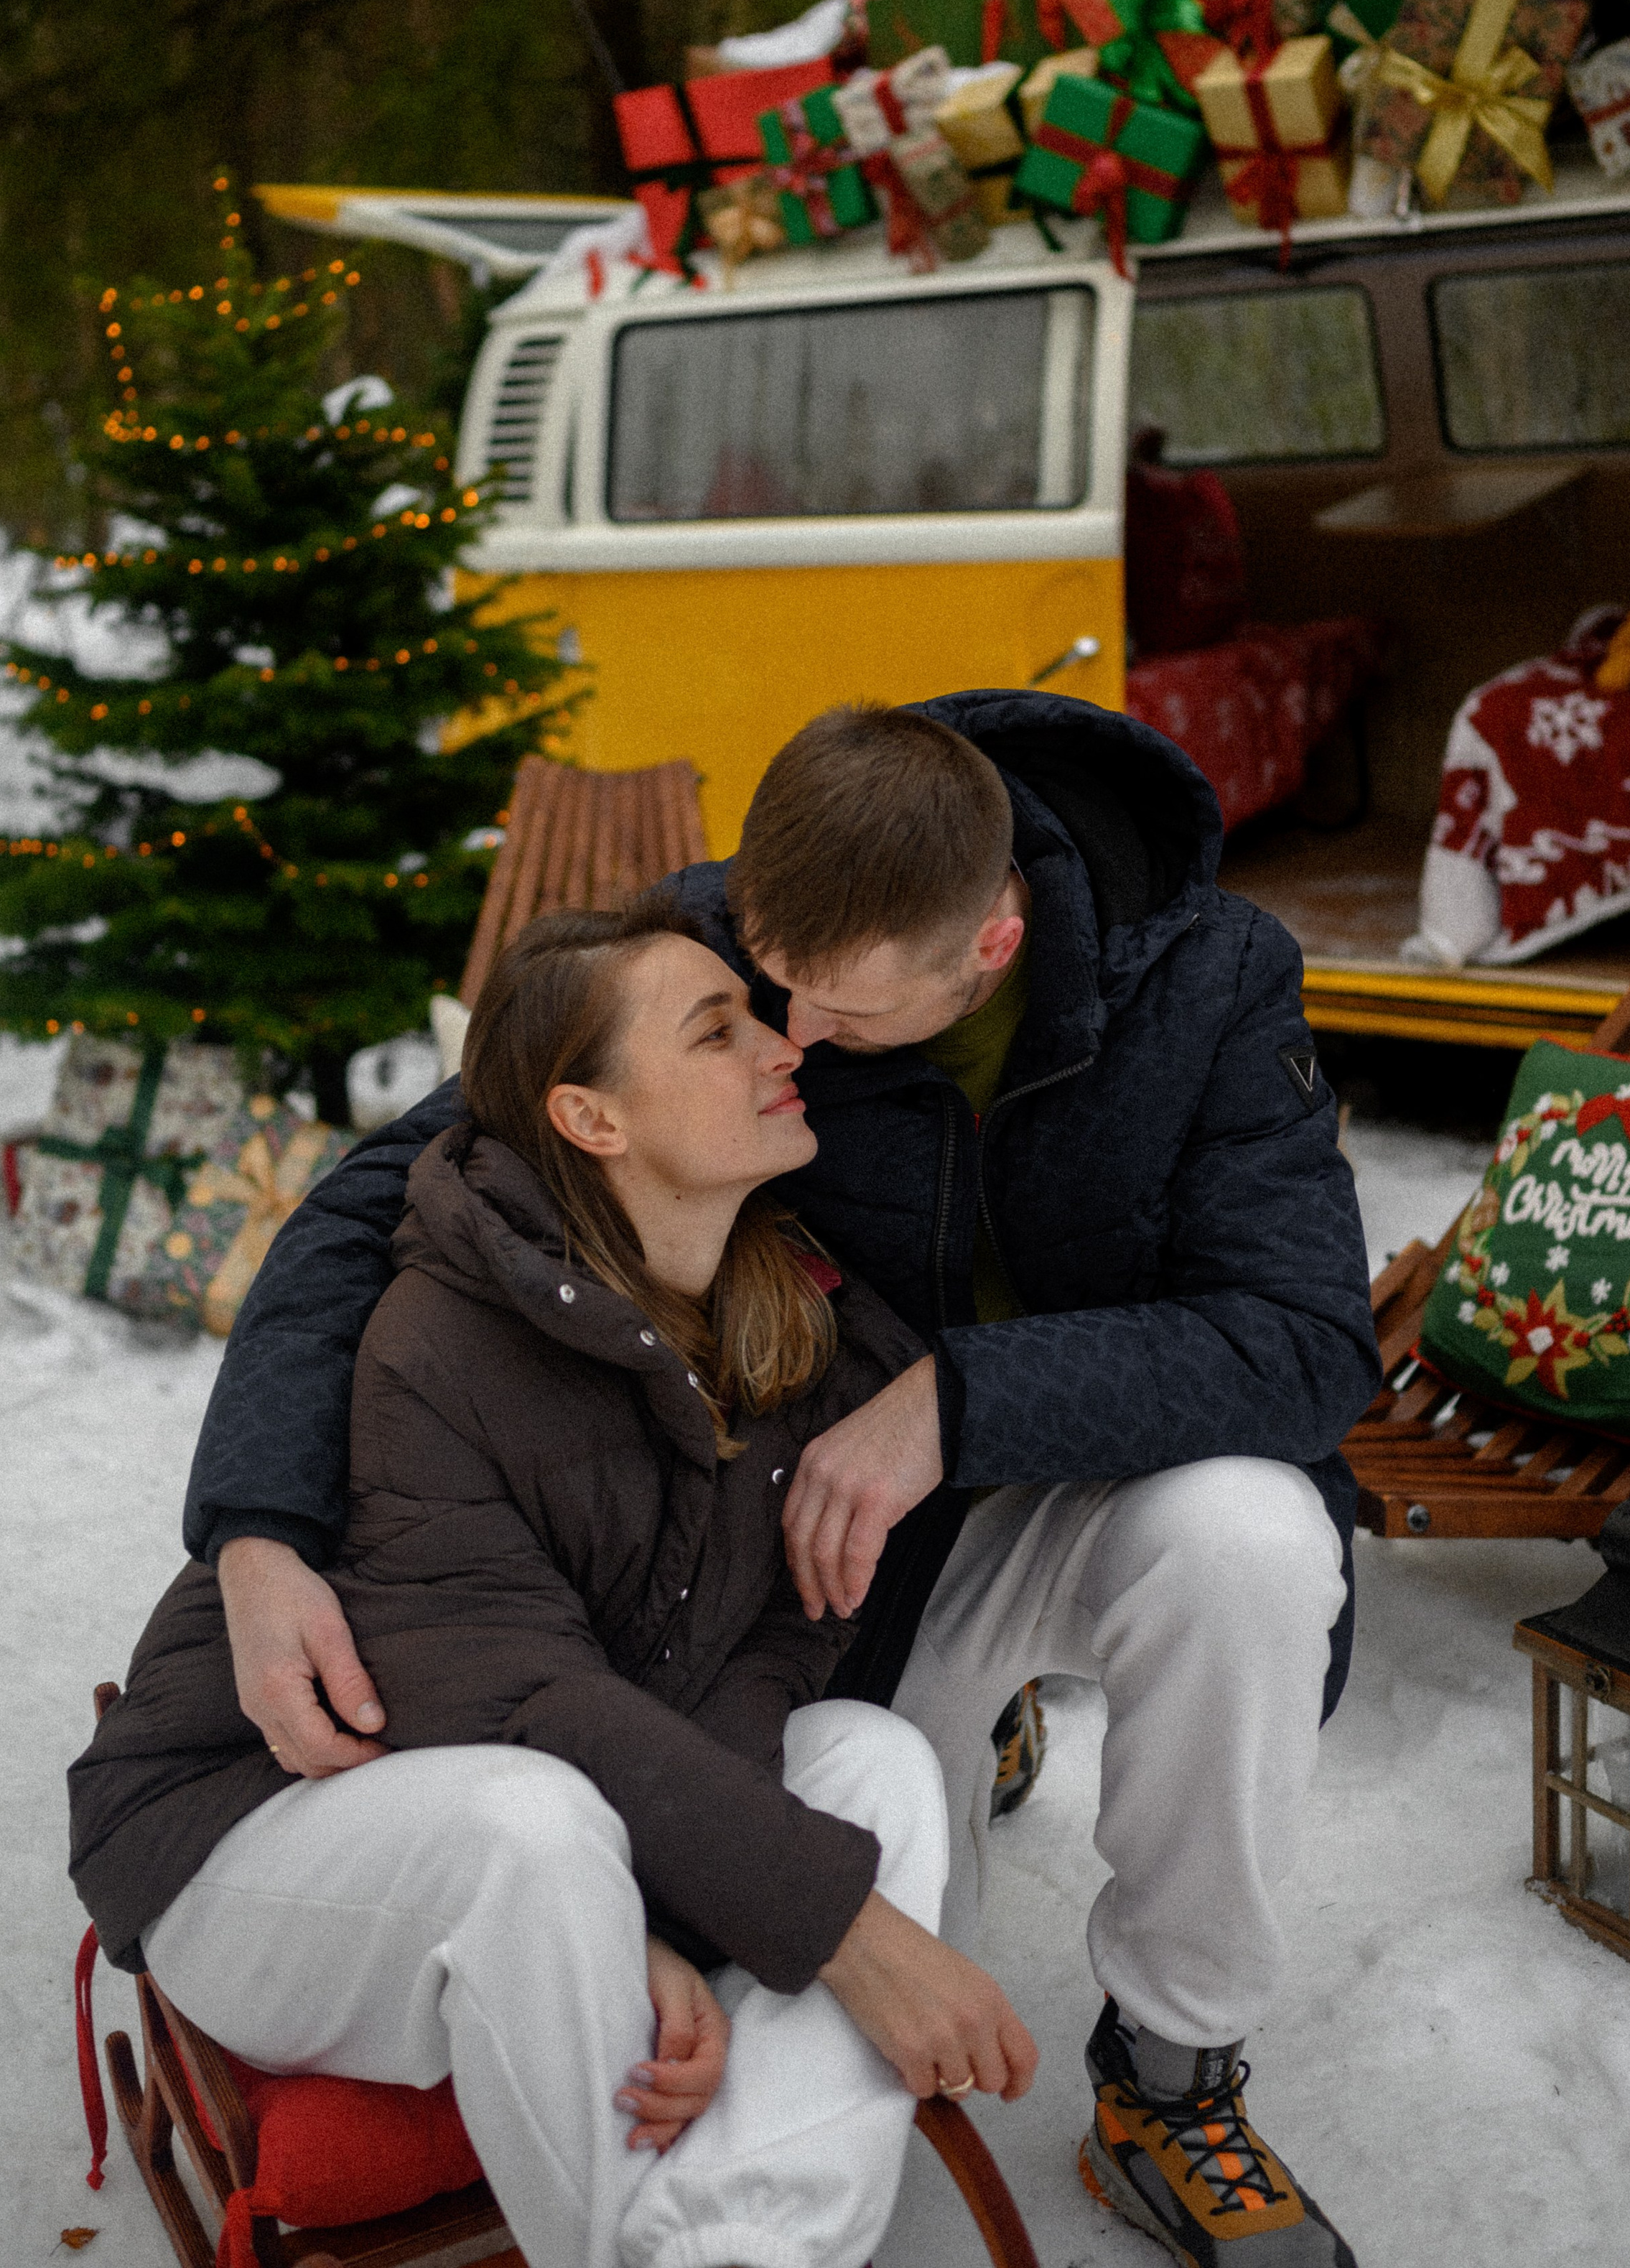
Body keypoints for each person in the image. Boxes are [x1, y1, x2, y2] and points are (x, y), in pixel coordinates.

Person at [186, 691, 1381, 2268]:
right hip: (834, 1549)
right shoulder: (723, 944)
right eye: (769, 989)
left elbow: (1302, 1341)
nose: (792, 1038)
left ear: (989, 949)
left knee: (1253, 1536)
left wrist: (949, 1400)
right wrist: (256, 1529)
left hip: (1074, 1469)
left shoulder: (1211, 978)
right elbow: (377, 1202)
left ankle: (1170, 2070)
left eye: (842, 1017)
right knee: (869, 1954)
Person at [70, 900, 1037, 2268]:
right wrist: (838, 1930)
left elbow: (777, 1651)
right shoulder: (437, 1339)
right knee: (528, 1826)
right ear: (592, 1118)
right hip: (255, 1825)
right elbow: (514, 1702)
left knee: (871, 1758)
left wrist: (667, 1916)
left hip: (550, 1802)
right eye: (719, 1031)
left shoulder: (800, 1333)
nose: (780, 1048)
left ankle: (746, 2250)